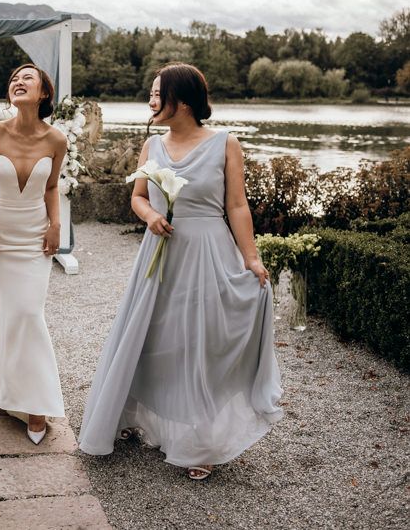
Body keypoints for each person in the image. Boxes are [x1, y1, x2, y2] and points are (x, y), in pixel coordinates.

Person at [79, 63, 283, 479]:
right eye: (151, 94)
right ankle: (132, 415)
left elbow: (237, 206)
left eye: (158, 93)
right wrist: (151, 214)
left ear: (183, 99)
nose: (151, 101)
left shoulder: (226, 143)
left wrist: (252, 258)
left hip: (209, 251)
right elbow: (137, 197)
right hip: (160, 254)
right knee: (152, 337)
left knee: (201, 342)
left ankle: (198, 441)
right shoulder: (150, 148)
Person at [0, 64, 67, 444]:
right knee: (0, 307)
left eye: (27, 78)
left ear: (43, 93)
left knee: (27, 311)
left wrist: (56, 224)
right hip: (0, 234)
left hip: (35, 237)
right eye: (13, 79)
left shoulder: (56, 140)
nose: (18, 82)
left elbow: (52, 186)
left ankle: (34, 403)